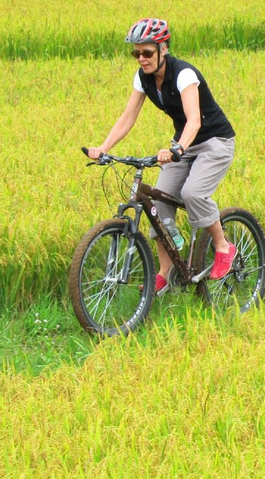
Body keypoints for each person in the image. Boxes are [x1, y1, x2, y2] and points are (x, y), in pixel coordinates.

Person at [88, 18, 237, 292]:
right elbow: (127, 117)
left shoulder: (184, 75)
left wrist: (176, 149)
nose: (141, 59)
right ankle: (166, 272)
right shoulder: (143, 78)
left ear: (163, 49)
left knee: (193, 193)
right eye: (136, 53)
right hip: (183, 145)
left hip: (214, 142)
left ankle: (223, 246)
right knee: (158, 200)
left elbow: (194, 121)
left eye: (147, 52)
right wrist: (104, 148)